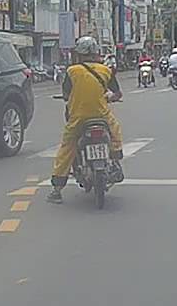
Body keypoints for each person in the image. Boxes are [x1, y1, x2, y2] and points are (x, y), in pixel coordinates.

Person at [47, 36, 124, 204]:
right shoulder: (106, 70)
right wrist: (110, 97)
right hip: (102, 116)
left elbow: (66, 94)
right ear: (96, 52)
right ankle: (116, 159)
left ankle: (57, 190)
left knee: (67, 148)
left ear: (79, 54)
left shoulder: (72, 71)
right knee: (115, 131)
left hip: (78, 118)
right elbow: (118, 93)